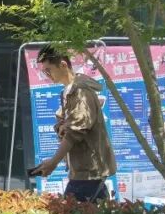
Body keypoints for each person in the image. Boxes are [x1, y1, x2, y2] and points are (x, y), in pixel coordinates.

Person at [30, 46, 117, 202]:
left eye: (48, 70)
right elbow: (71, 127)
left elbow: (75, 132)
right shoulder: (68, 91)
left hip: (89, 172)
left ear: (63, 65)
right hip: (83, 171)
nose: (47, 75)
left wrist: (53, 163)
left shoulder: (80, 92)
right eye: (44, 72)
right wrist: (61, 125)